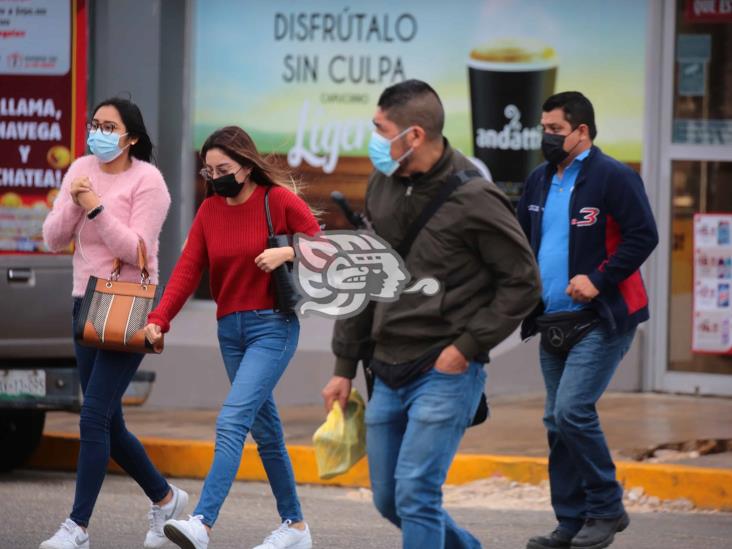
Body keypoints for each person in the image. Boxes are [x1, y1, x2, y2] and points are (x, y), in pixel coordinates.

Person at [321, 79, 541, 548]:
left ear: (414, 135)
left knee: (417, 493)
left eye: (381, 129)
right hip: (386, 367)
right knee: (389, 499)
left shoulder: (474, 196)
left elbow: (523, 282)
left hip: (444, 369)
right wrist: (344, 366)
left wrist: (466, 348)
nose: (375, 139)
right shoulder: (381, 184)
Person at [144, 126, 320, 549]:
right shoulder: (209, 211)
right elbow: (188, 269)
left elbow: (322, 243)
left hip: (272, 327)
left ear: (245, 166)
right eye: (208, 170)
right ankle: (295, 526)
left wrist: (289, 250)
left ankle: (202, 522)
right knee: (266, 430)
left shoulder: (275, 200)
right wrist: (159, 319)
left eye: (223, 168)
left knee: (232, 420)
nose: (215, 177)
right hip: (230, 331)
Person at [517, 91, 658, 549]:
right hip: (553, 319)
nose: (547, 137)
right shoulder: (538, 180)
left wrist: (600, 278)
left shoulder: (614, 176)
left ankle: (606, 507)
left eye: (556, 130)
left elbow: (643, 235)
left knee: (572, 411)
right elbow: (523, 242)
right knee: (557, 423)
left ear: (582, 131)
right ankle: (571, 521)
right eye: (544, 129)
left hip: (602, 316)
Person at [40, 98, 183, 549]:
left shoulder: (150, 182)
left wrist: (96, 207)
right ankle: (165, 498)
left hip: (127, 303)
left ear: (132, 137)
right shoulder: (81, 167)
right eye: (94, 124)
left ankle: (77, 528)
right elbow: (52, 238)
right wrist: (74, 202)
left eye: (108, 126)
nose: (97, 132)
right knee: (109, 422)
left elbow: (135, 251)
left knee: (93, 416)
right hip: (85, 301)